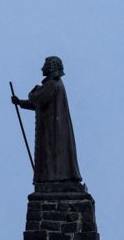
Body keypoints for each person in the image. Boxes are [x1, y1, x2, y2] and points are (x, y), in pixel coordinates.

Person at [11, 56, 82, 184]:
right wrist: (20, 102)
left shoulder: (52, 84)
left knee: (52, 154)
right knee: (52, 155)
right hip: (52, 128)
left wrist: (33, 92)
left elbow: (36, 98)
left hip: (53, 129)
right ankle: (52, 178)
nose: (42, 68)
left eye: (45, 65)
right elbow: (39, 103)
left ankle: (54, 179)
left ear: (51, 67)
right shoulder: (54, 84)